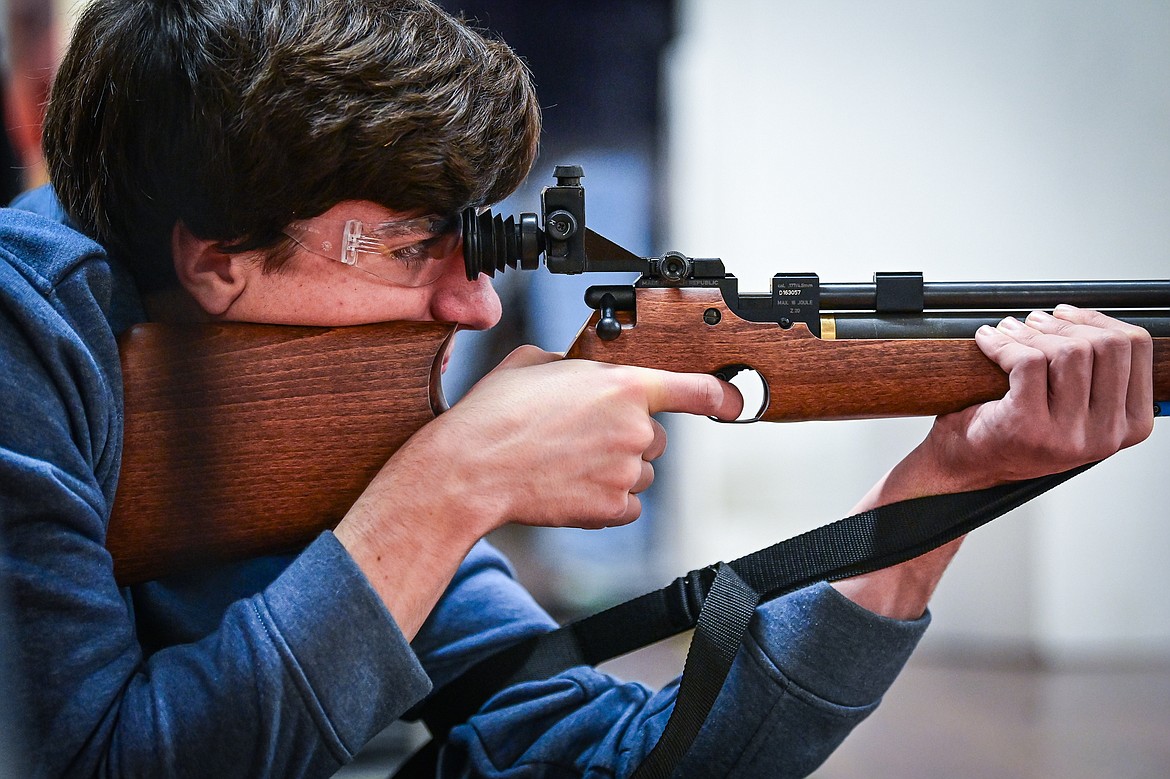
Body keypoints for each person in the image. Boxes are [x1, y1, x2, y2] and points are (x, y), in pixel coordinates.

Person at [0, 1, 1153, 777]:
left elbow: (625, 756)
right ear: (214, 257)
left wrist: (944, 489)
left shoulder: (322, 415)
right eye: (410, 250)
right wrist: (443, 490)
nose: (477, 307)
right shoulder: (25, 336)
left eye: (472, 246)